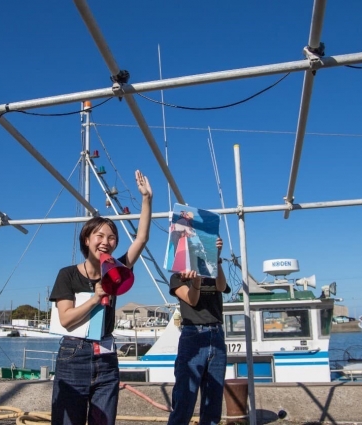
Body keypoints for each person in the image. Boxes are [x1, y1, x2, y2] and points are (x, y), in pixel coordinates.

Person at [49, 170, 152, 425]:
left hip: (107, 356)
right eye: (100, 236)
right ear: (87, 239)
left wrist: (147, 199)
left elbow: (141, 238)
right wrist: (95, 298)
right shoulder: (68, 275)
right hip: (74, 354)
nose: (106, 242)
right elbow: (66, 320)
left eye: (112, 237)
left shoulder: (117, 270)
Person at [167, 237, 230, 425]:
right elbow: (192, 300)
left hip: (216, 333)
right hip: (193, 334)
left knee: (213, 399)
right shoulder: (177, 277)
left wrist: (217, 258)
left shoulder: (213, 272)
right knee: (184, 397)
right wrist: (196, 281)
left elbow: (221, 287)